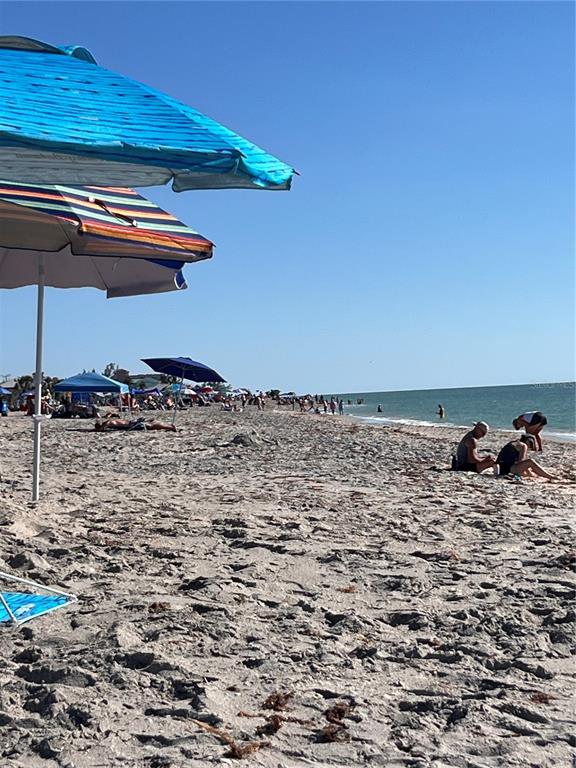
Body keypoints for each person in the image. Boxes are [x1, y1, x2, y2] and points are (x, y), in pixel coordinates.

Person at [94, 417, 176, 432]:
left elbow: (102, 428)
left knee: (151, 426)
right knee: (151, 424)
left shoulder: (107, 423)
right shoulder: (110, 420)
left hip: (131, 425)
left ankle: (170, 427)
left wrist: (99, 429)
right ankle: (169, 426)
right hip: (131, 422)